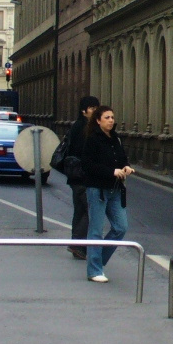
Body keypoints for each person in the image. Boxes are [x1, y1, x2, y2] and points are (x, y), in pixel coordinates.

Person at [79, 105, 134, 282]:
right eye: (107, 117)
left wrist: (126, 167)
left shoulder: (115, 138)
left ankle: (97, 262)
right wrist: (111, 171)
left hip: (115, 189)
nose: (111, 120)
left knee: (120, 227)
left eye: (112, 117)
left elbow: (122, 158)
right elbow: (87, 165)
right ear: (98, 120)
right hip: (97, 189)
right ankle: (94, 270)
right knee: (95, 230)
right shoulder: (92, 139)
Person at [64, 95, 100, 259]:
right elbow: (85, 153)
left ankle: (76, 244)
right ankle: (78, 246)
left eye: (96, 108)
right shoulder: (84, 128)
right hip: (83, 176)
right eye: (92, 108)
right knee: (88, 211)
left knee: (79, 211)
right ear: (83, 110)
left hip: (75, 176)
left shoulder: (77, 126)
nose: (94, 111)